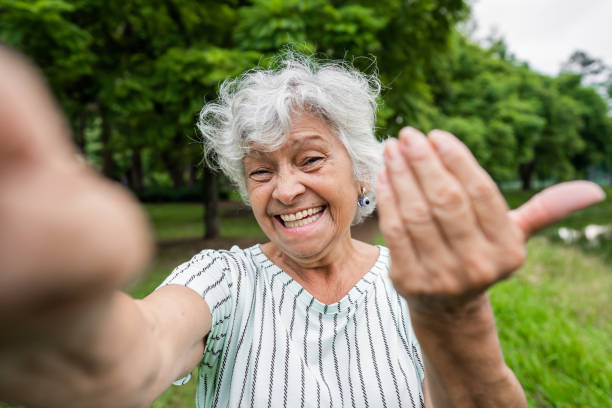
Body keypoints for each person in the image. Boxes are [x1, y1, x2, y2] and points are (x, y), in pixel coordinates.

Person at [0, 45, 605, 408]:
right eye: (260, 171)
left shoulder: (416, 285)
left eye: (311, 159)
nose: (285, 189)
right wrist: (63, 321)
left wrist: (454, 317)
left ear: (362, 173)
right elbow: (138, 350)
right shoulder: (224, 277)